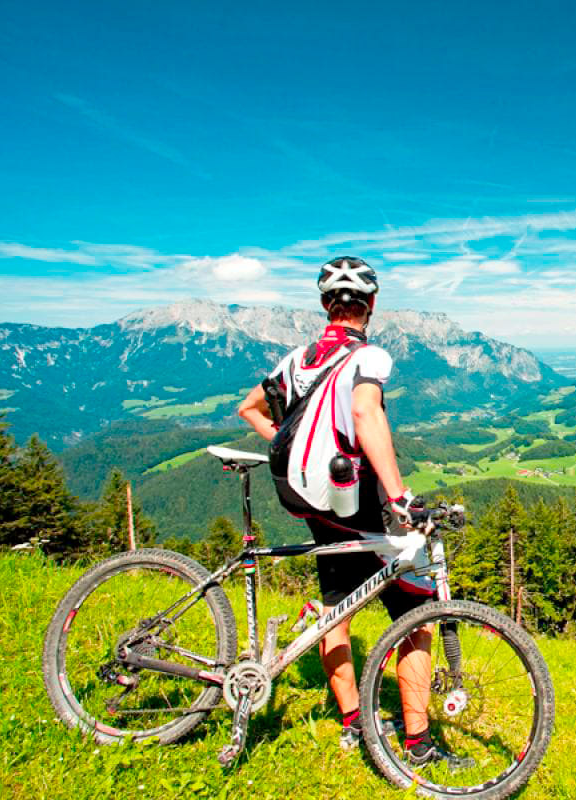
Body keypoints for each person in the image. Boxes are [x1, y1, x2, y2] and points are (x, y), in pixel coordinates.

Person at [236, 256, 453, 766]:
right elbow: (364, 412)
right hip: (360, 507)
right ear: (371, 305)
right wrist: (399, 496)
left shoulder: (296, 360)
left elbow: (248, 407)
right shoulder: (369, 357)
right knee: (418, 619)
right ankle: (418, 745)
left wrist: (286, 454)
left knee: (337, 610)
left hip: (315, 505)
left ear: (324, 305)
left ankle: (355, 721)